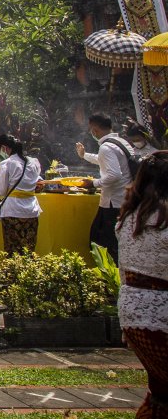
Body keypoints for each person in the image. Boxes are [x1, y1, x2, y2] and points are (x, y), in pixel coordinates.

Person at [116, 150, 168, 419]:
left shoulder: (127, 218)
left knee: (161, 391)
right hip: (160, 315)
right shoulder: (163, 219)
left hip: (132, 318)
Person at [76, 113, 136, 262]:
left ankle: (111, 274)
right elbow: (106, 161)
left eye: (91, 129)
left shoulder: (106, 147)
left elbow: (115, 174)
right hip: (126, 198)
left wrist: (93, 183)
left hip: (113, 202)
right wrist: (84, 156)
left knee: (102, 241)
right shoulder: (121, 142)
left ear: (95, 129)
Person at [0, 134, 42, 255]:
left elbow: (1, 190)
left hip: (13, 211)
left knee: (13, 250)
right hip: (32, 210)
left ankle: (13, 273)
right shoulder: (34, 162)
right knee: (29, 250)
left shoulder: (7, 163)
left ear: (4, 148)